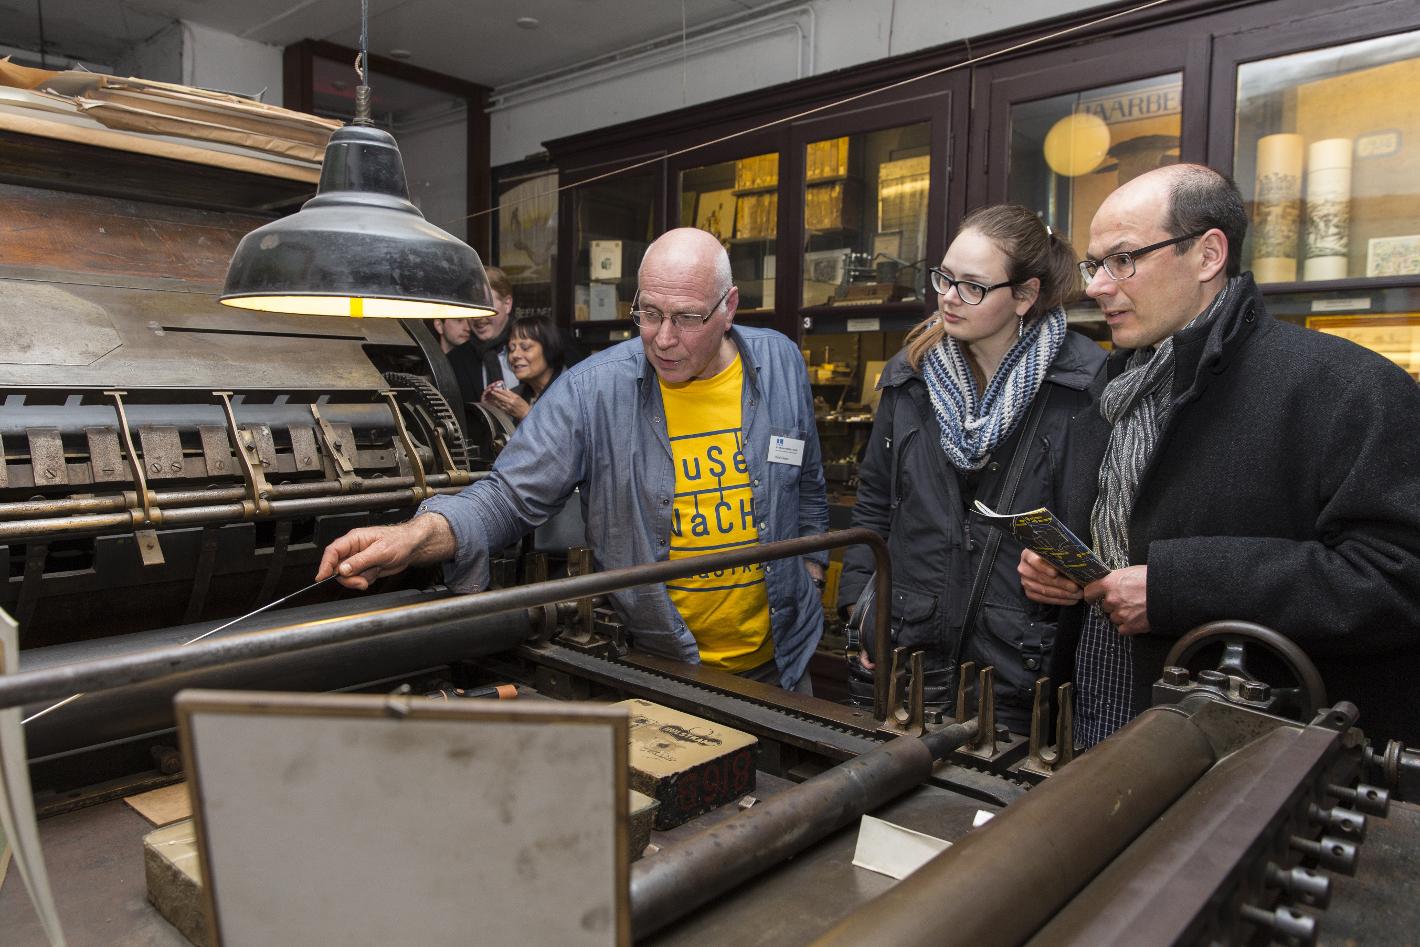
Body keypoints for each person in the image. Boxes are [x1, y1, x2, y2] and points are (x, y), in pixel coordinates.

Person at [316, 228, 828, 692]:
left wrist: (812, 567)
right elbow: (507, 497)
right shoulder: (593, 391)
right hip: (665, 668)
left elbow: (806, 479)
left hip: (783, 660)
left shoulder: (778, 362)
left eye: (688, 318)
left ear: (729, 306)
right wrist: (416, 534)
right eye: (649, 314)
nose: (665, 338)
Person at [1018, 163, 1420, 748]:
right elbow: (1117, 557)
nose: (1097, 286)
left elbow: (1397, 579)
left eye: (1123, 259)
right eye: (1094, 264)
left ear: (1208, 255)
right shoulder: (1109, 392)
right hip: (1098, 727)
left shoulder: (1346, 386)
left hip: (1245, 762)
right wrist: (1061, 575)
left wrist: (1179, 589)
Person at [837, 205, 1105, 732]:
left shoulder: (1084, 386)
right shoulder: (909, 376)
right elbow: (873, 503)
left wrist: (1077, 577)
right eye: (944, 278)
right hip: (905, 651)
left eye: (973, 286)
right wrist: (860, 610)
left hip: (1017, 669)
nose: (948, 297)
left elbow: (1101, 523)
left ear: (1025, 296)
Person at [447, 265, 519, 403]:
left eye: (485, 307)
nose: (478, 317)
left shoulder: (535, 350)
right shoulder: (454, 362)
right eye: (472, 308)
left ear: (507, 304)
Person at [480, 314, 569, 423]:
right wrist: (492, 411)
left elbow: (567, 438)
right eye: (512, 348)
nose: (515, 355)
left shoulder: (571, 392)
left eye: (525, 347)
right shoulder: (517, 394)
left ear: (549, 348)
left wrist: (526, 414)